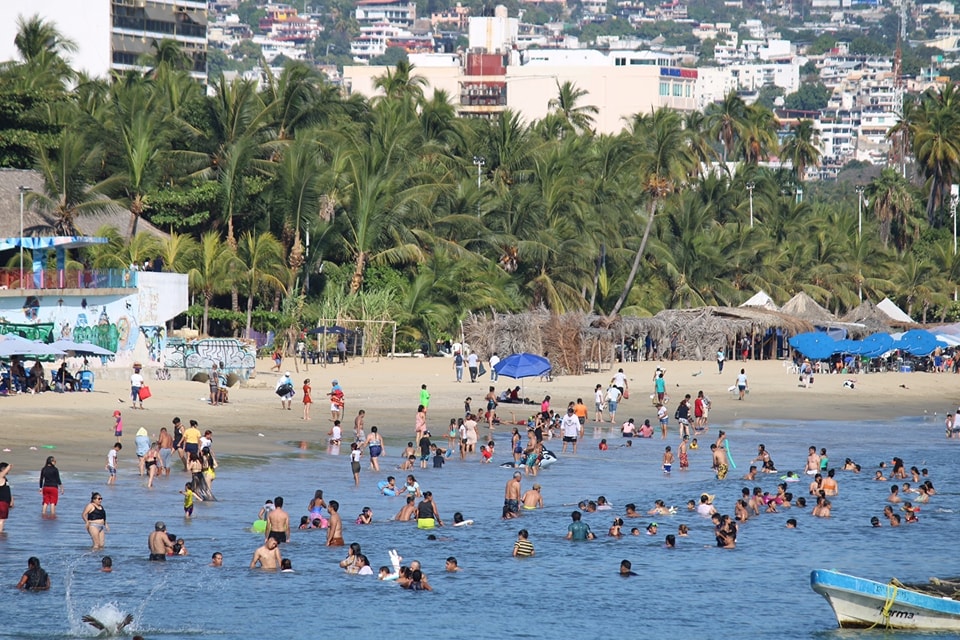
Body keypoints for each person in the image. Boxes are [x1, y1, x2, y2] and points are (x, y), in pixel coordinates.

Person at [0, 462, 12, 533]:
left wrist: (11, 500)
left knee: (1, 519)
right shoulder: (0, 477)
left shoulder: (4, 479)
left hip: (5, 502)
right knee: (1, 520)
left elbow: (7, 490)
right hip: (2, 502)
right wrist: (9, 466)